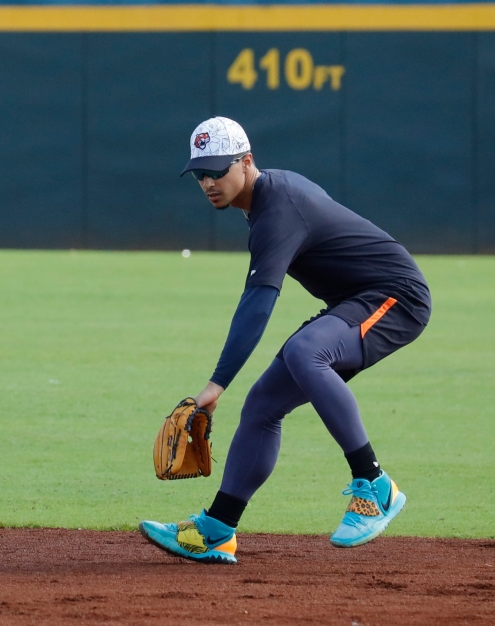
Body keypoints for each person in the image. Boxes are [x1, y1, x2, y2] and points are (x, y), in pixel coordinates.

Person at [139, 117, 431, 564]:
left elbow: (257, 305)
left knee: (304, 352)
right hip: (354, 301)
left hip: (397, 297)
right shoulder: (264, 203)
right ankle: (218, 529)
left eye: (218, 169)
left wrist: (216, 385)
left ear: (247, 161)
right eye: (200, 173)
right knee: (262, 405)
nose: (208, 182)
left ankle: (374, 484)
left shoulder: (278, 208)